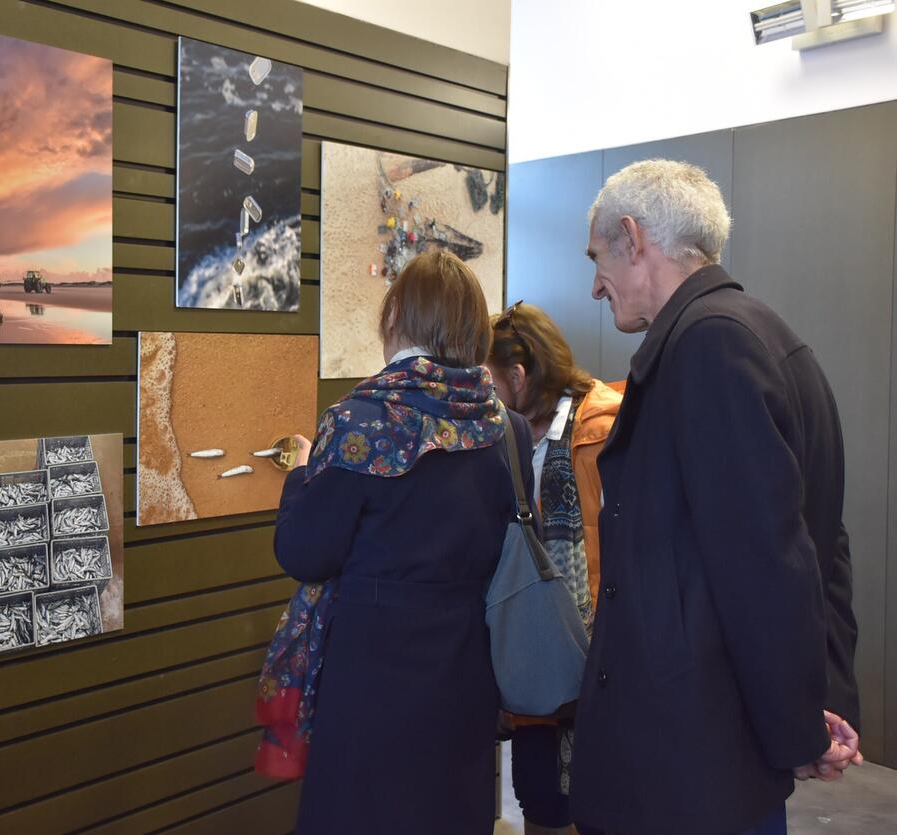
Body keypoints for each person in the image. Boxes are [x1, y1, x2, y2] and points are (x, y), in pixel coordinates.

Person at [569, 159, 861, 835]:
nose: (594, 285)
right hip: (719, 758)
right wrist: (820, 702)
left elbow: (767, 562)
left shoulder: (708, 347)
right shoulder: (763, 333)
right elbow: (823, 546)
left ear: (633, 238)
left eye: (598, 258)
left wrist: (800, 727)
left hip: (687, 761)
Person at [274, 249, 536, 834]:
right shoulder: (506, 427)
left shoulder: (361, 421)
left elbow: (305, 552)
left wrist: (301, 472)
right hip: (467, 672)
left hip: (372, 678)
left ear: (395, 319)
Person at [486, 302, 622, 835]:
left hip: (599, 662)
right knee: (540, 797)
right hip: (536, 653)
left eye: (490, 380)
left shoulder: (602, 432)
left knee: (598, 802)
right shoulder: (507, 435)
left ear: (518, 377)